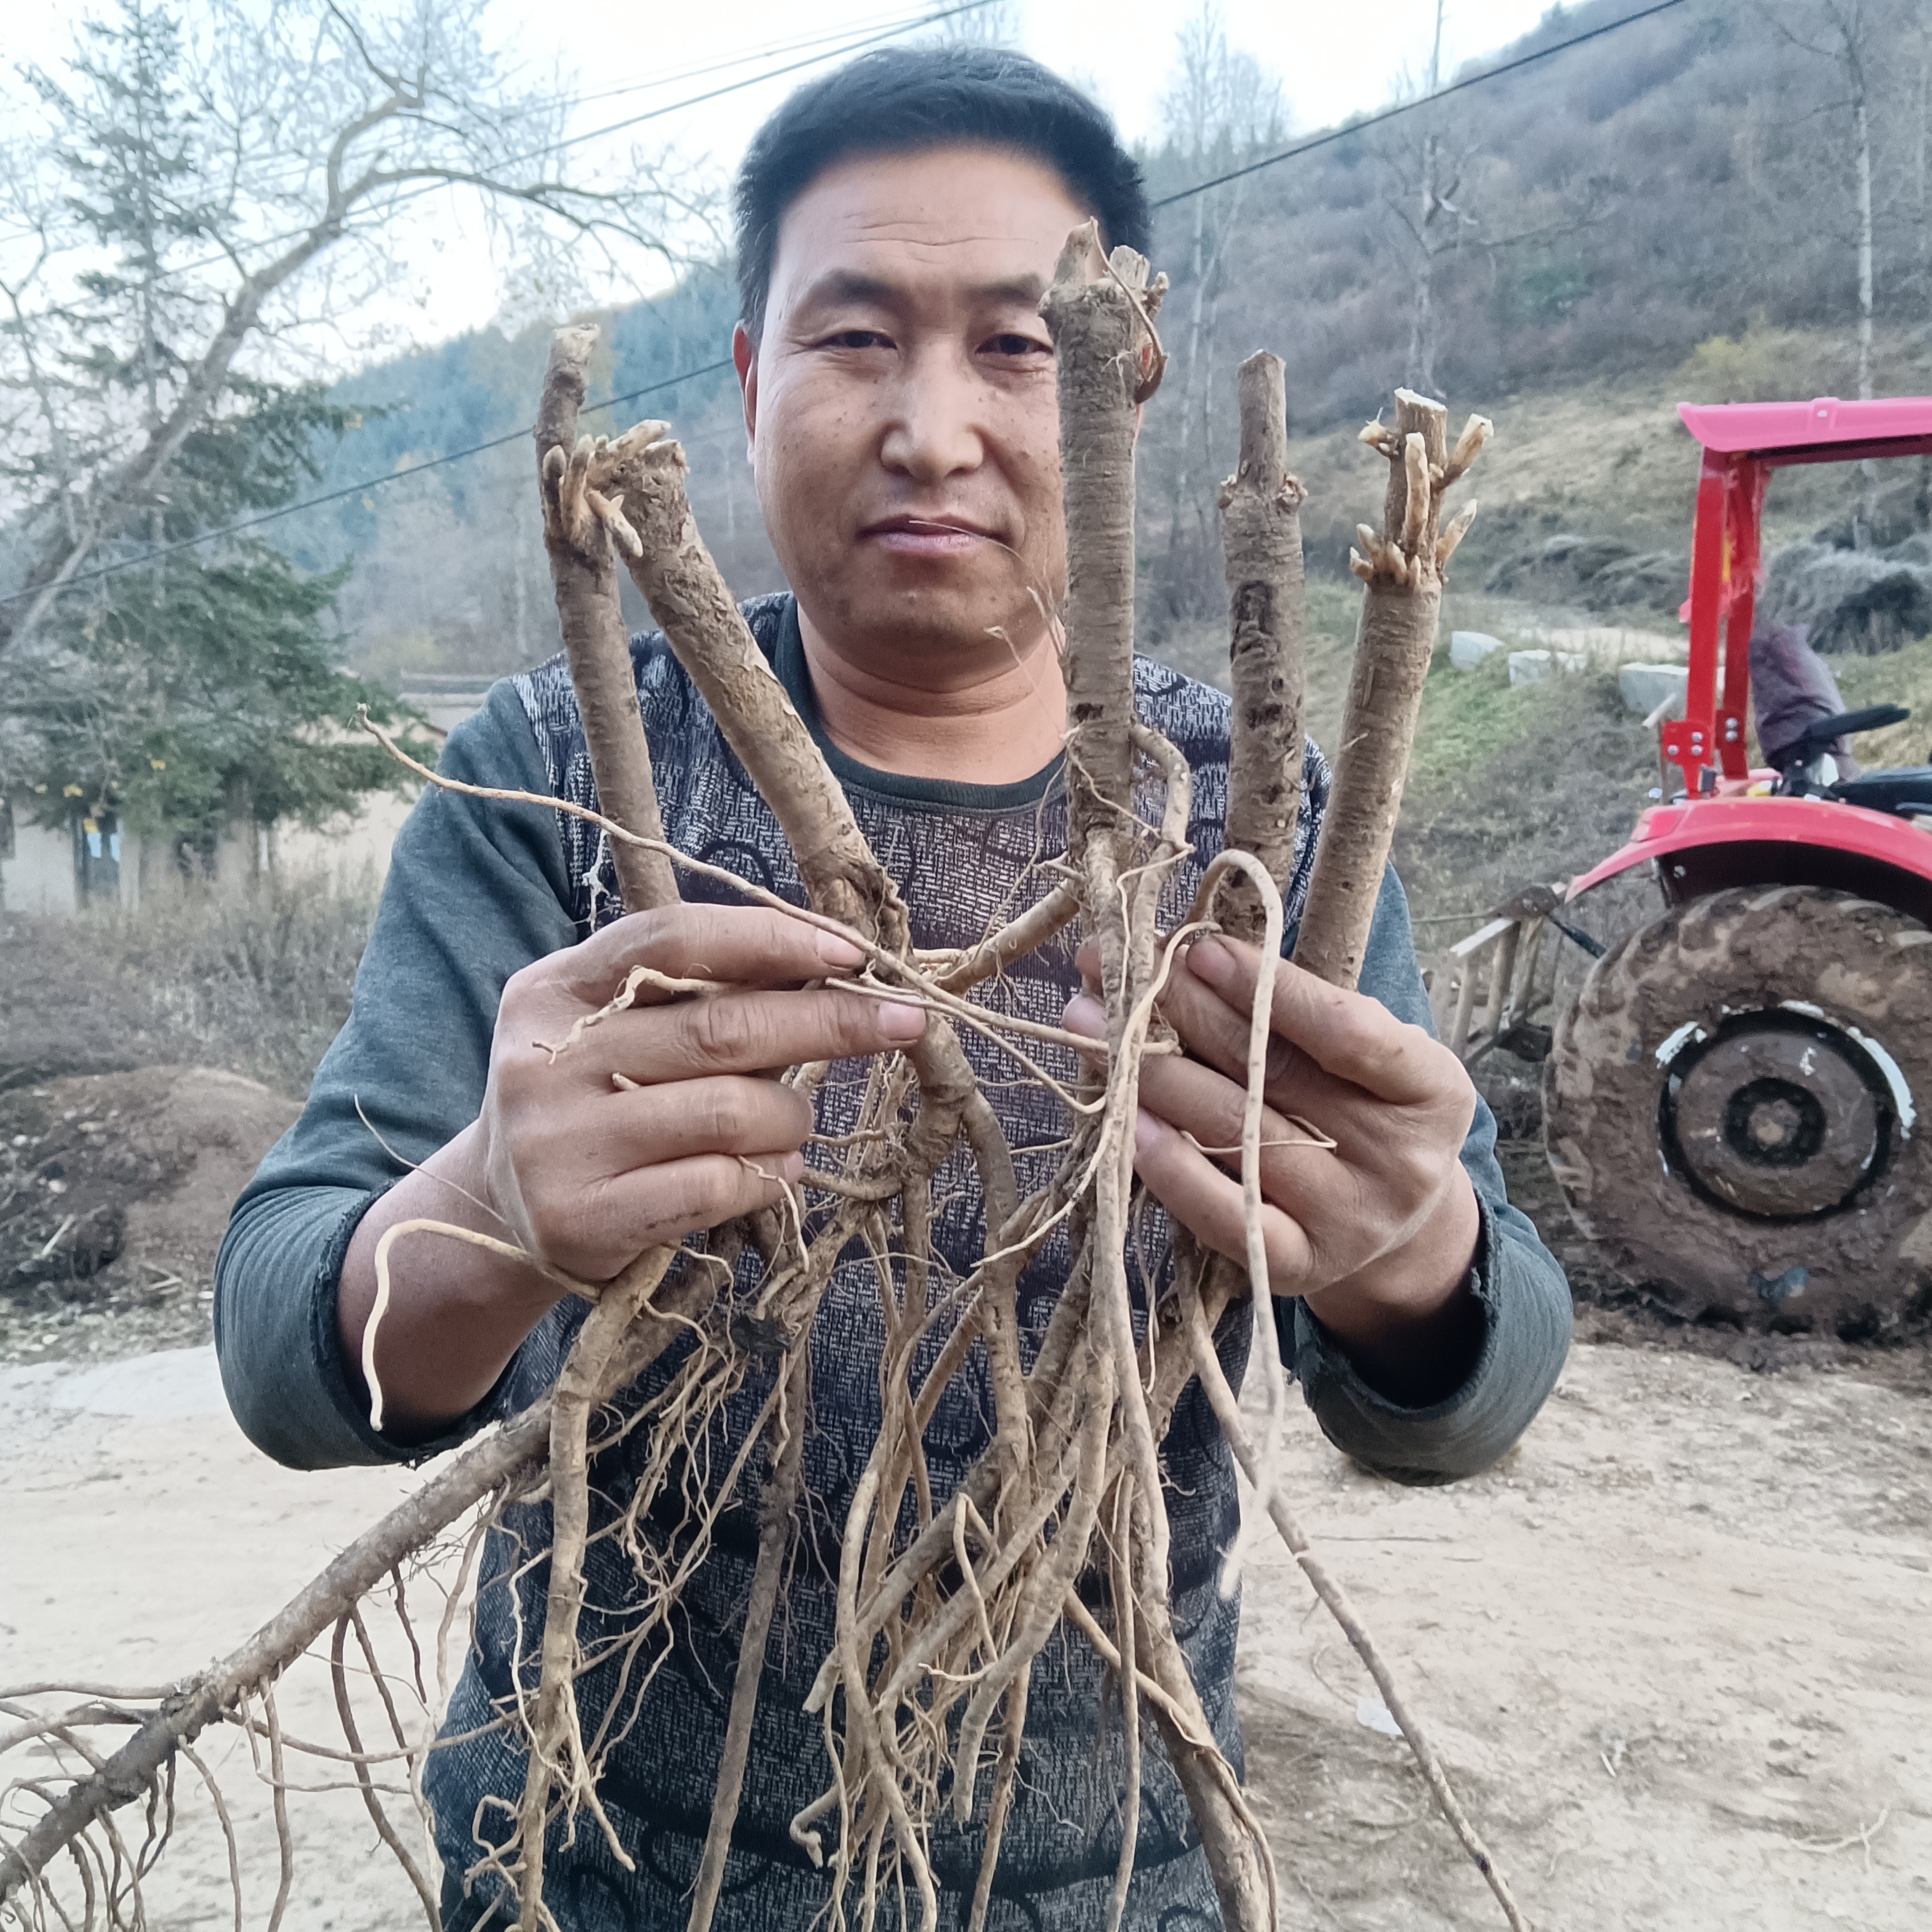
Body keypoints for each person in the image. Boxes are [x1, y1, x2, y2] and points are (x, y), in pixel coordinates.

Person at [215, 45, 1571, 1931]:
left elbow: (1463, 1398)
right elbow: (290, 1349)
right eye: (856, 337)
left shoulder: (1264, 829)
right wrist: (482, 1216)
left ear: (1128, 380)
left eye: (1019, 346)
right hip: (592, 1867)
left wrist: (1414, 1263)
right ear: (754, 380)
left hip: (1116, 1876)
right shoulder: (554, 781)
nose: (933, 427)